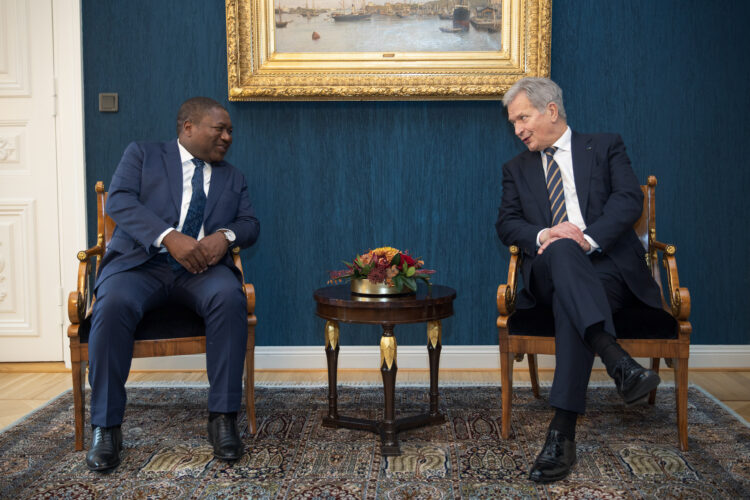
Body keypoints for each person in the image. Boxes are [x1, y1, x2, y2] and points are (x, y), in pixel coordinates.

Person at [495, 77, 663, 483]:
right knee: (561, 248)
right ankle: (617, 361)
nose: (517, 129)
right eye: (513, 122)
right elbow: (507, 224)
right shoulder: (516, 169)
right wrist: (546, 235)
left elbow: (628, 199)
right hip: (550, 272)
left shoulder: (605, 147)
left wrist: (586, 238)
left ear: (550, 110)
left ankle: (562, 434)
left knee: (575, 303)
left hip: (609, 268)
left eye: (522, 118)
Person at [85, 97, 259, 472]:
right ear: (189, 127)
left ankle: (223, 419)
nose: (228, 137)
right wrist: (168, 236)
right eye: (220, 129)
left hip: (200, 271)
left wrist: (224, 236)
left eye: (231, 131)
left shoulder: (232, 177)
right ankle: (106, 426)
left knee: (229, 297)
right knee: (111, 305)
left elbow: (249, 223)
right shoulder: (143, 155)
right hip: (140, 266)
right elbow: (119, 201)